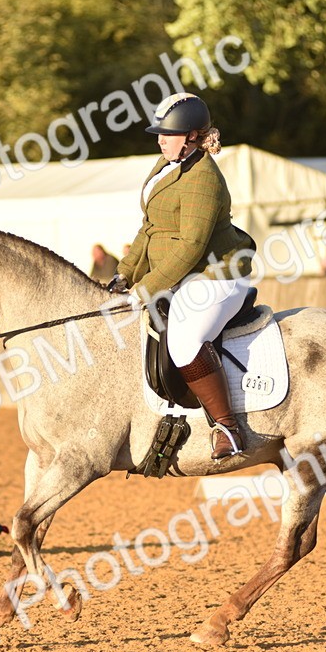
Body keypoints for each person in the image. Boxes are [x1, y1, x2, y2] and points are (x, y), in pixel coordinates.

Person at [108, 93, 256, 460]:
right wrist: (124, 274)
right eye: (158, 133)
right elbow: (150, 227)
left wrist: (145, 289)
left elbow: (191, 246)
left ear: (192, 136)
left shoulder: (204, 178)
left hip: (215, 278)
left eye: (167, 134)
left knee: (186, 340)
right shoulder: (167, 164)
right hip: (179, 277)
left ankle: (228, 428)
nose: (160, 140)